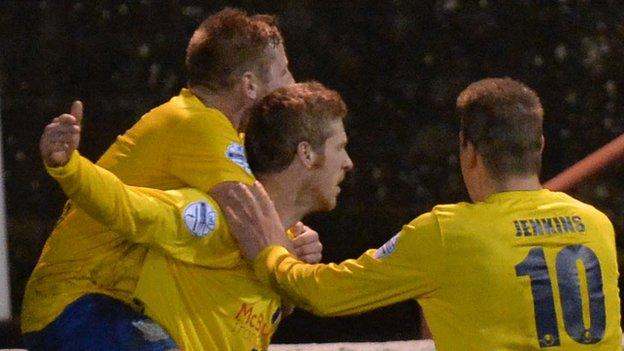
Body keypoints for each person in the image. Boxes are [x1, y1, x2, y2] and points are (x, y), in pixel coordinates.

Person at [226, 78, 622, 350]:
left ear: (468, 150)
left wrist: (270, 252)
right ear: (539, 145)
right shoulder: (595, 224)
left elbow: (323, 294)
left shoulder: (448, 233)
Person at [21, 7, 305, 350]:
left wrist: (290, 239)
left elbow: (262, 240)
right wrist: (295, 257)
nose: (293, 84)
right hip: (75, 305)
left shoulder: (218, 133)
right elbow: (255, 232)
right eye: (285, 71)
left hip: (112, 305)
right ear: (249, 84)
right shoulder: (199, 125)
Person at [37, 82, 352, 350]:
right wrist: (69, 168)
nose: (348, 163)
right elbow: (128, 207)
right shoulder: (212, 218)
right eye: (340, 147)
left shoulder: (288, 248)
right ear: (306, 153)